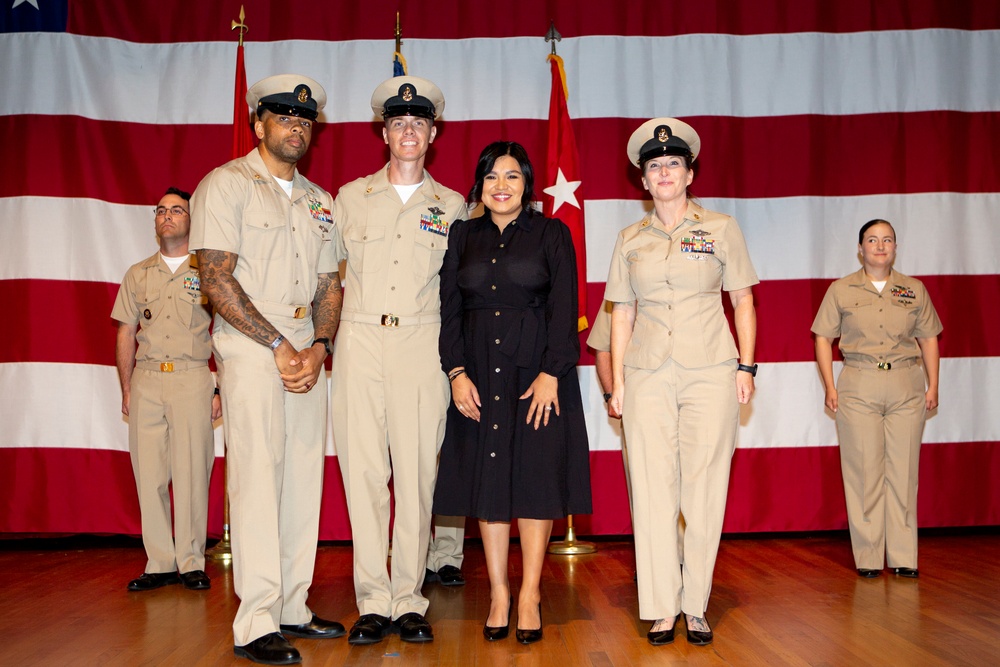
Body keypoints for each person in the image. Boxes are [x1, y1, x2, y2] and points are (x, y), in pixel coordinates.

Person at [190, 74, 345, 665]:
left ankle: (291, 607)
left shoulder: (319, 200)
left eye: (305, 118)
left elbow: (331, 283)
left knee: (303, 479)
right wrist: (281, 344)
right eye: (283, 115)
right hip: (254, 345)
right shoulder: (227, 184)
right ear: (259, 124)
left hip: (308, 345)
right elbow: (215, 278)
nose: (296, 125)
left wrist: (320, 346)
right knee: (256, 478)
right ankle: (255, 620)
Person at [606, 118, 758, 647]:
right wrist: (620, 381)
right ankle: (660, 605)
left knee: (705, 486)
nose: (664, 172)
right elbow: (621, 313)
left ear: (689, 173)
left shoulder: (721, 228)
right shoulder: (629, 239)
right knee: (650, 488)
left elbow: (742, 300)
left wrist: (746, 366)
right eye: (654, 166)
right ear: (642, 181)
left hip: (712, 370)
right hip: (647, 372)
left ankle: (695, 604)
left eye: (673, 163)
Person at [433, 141, 592, 645]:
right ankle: (499, 592)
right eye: (492, 177)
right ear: (480, 184)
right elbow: (450, 310)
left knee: (535, 482)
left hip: (537, 377)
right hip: (478, 374)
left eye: (513, 177)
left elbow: (566, 308)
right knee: (490, 481)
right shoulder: (462, 235)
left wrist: (551, 373)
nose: (501, 186)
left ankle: (529, 593)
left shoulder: (551, 233)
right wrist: (457, 373)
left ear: (527, 183)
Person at [330, 75, 466, 646]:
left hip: (420, 345)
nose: (408, 131)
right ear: (383, 132)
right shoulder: (349, 197)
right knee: (363, 476)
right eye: (397, 123)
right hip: (359, 342)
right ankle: (372, 600)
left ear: (432, 134)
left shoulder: (453, 204)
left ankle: (409, 597)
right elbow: (330, 279)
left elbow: (458, 292)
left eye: (418, 123)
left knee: (416, 477)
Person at [811, 219, 942, 579]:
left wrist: (933, 385)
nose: (880, 246)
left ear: (896, 247)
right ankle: (868, 557)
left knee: (903, 472)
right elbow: (822, 337)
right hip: (860, 381)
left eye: (887, 240)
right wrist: (830, 386)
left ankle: (903, 556)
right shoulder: (841, 290)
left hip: (905, 383)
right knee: (864, 472)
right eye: (872, 240)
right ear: (860, 248)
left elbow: (929, 338)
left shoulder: (914, 289)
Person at [112, 187, 221, 593]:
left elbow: (224, 330)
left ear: (192, 219)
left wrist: (219, 389)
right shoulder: (137, 274)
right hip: (147, 380)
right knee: (150, 475)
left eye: (177, 210)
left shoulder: (209, 271)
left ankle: (191, 560)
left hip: (193, 378)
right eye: (161, 211)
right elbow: (126, 332)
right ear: (155, 220)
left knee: (192, 471)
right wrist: (127, 387)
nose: (168, 216)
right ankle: (159, 560)